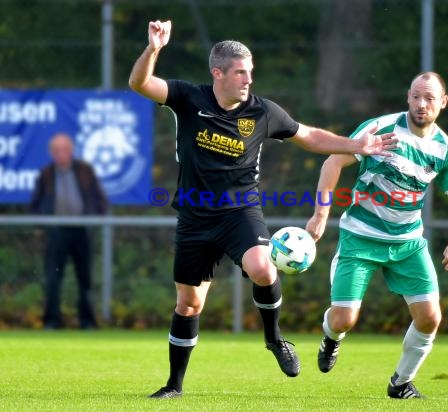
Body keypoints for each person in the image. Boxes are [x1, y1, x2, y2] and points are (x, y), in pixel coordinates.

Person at [128, 20, 399, 399]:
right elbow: (140, 83)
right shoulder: (189, 98)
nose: (247, 80)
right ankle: (174, 385)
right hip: (194, 215)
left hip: (241, 210)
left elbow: (310, 136)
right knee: (189, 305)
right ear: (218, 73)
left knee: (261, 266)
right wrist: (154, 48)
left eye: (250, 73)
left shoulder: (263, 112)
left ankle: (274, 340)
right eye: (240, 72)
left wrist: (356, 145)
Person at [306, 72, 448, 399]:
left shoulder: (445, 151)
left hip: (408, 244)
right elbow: (332, 164)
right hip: (361, 237)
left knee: (430, 317)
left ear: (443, 102)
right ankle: (331, 338)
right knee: (343, 320)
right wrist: (321, 214)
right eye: (416, 96)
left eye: (429, 98)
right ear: (408, 97)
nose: (421, 104)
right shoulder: (380, 128)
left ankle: (401, 383)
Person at [30, 133, 108, 330]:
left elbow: (99, 200)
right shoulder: (46, 174)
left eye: (64, 149)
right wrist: (45, 224)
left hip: (81, 232)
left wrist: (93, 222)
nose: (60, 154)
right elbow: (35, 205)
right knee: (53, 278)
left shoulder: (85, 171)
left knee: (85, 279)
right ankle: (51, 321)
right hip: (56, 233)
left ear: (71, 150)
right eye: (56, 150)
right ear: (51, 153)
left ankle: (87, 322)